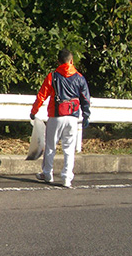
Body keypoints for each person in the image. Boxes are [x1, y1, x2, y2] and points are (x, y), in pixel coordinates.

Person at [30, 49, 91, 188]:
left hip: (56, 115)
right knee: (69, 149)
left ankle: (47, 174)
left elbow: (42, 95)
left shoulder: (53, 76)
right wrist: (86, 114)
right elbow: (85, 99)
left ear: (58, 62)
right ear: (71, 60)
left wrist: (34, 111)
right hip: (73, 117)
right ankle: (66, 178)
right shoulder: (79, 77)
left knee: (50, 146)